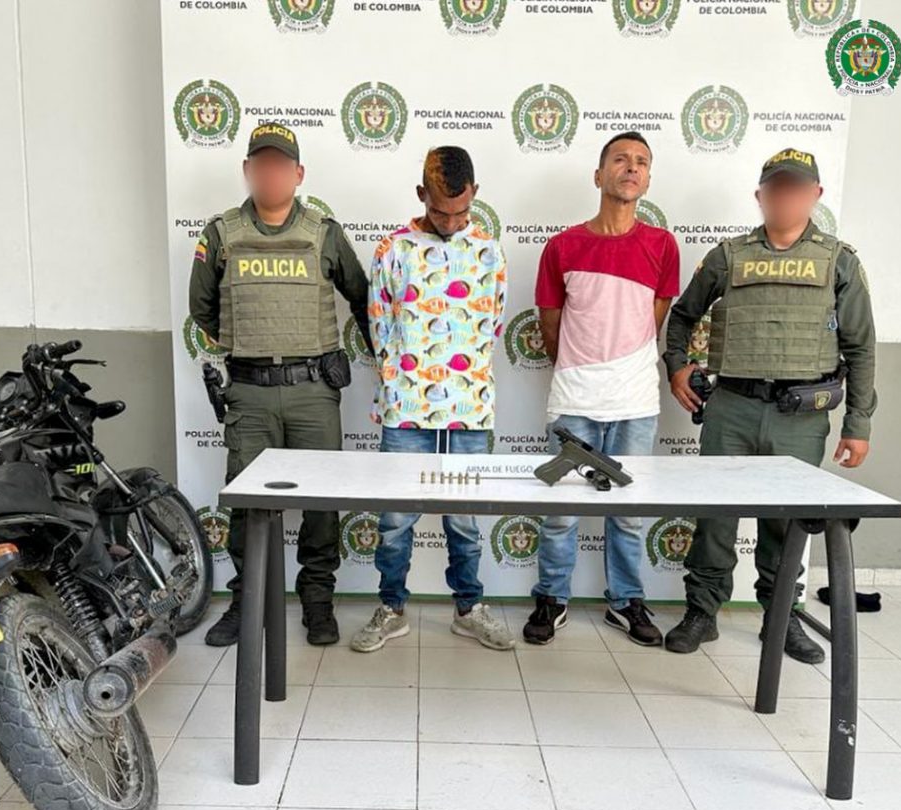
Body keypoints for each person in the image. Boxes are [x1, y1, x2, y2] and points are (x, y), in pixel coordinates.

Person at [662, 148, 877, 663]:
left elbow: (861, 346)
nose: (786, 196)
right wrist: (677, 366)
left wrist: (858, 422)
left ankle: (781, 619)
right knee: (716, 517)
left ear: (815, 196)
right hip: (731, 407)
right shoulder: (728, 256)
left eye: (797, 188)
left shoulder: (839, 261)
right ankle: (701, 612)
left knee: (787, 525)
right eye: (776, 188)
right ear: (761, 196)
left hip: (800, 416)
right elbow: (681, 317)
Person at [190, 122, 371, 648]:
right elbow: (201, 308)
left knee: (320, 502)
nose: (270, 173)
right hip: (248, 391)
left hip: (313, 390)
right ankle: (248, 602)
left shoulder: (323, 232)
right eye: (260, 164)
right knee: (248, 504)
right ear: (248, 171)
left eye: (280, 164)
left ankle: (318, 601)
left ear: (298, 173)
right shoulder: (221, 233)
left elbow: (361, 298)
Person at [350, 146, 512, 653]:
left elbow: (494, 324)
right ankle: (391, 607)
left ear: (475, 197)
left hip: (469, 409)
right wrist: (406, 379)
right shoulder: (392, 250)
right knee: (395, 519)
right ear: (422, 195)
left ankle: (469, 607)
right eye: (441, 211)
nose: (452, 221)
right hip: (406, 409)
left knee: (464, 517)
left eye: (462, 211)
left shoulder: (489, 252)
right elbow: (378, 325)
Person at [522, 131, 680, 646]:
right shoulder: (563, 246)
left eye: (641, 162)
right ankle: (552, 598)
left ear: (649, 178)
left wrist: (618, 367)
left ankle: (625, 601)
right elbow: (551, 328)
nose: (630, 168)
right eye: (620, 160)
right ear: (599, 175)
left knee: (630, 516)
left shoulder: (662, 245)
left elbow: (653, 318)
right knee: (561, 513)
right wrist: (583, 369)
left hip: (635, 404)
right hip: (574, 401)